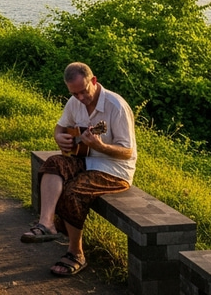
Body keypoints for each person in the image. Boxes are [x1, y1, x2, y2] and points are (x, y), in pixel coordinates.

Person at [20, 62, 136, 277]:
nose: (80, 97)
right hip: (85, 158)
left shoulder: (116, 106)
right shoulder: (74, 102)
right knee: (53, 163)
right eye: (74, 93)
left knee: (73, 191)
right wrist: (58, 137)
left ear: (94, 81)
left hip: (115, 169)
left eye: (83, 91)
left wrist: (100, 146)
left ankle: (76, 253)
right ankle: (46, 224)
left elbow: (127, 152)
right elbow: (60, 127)